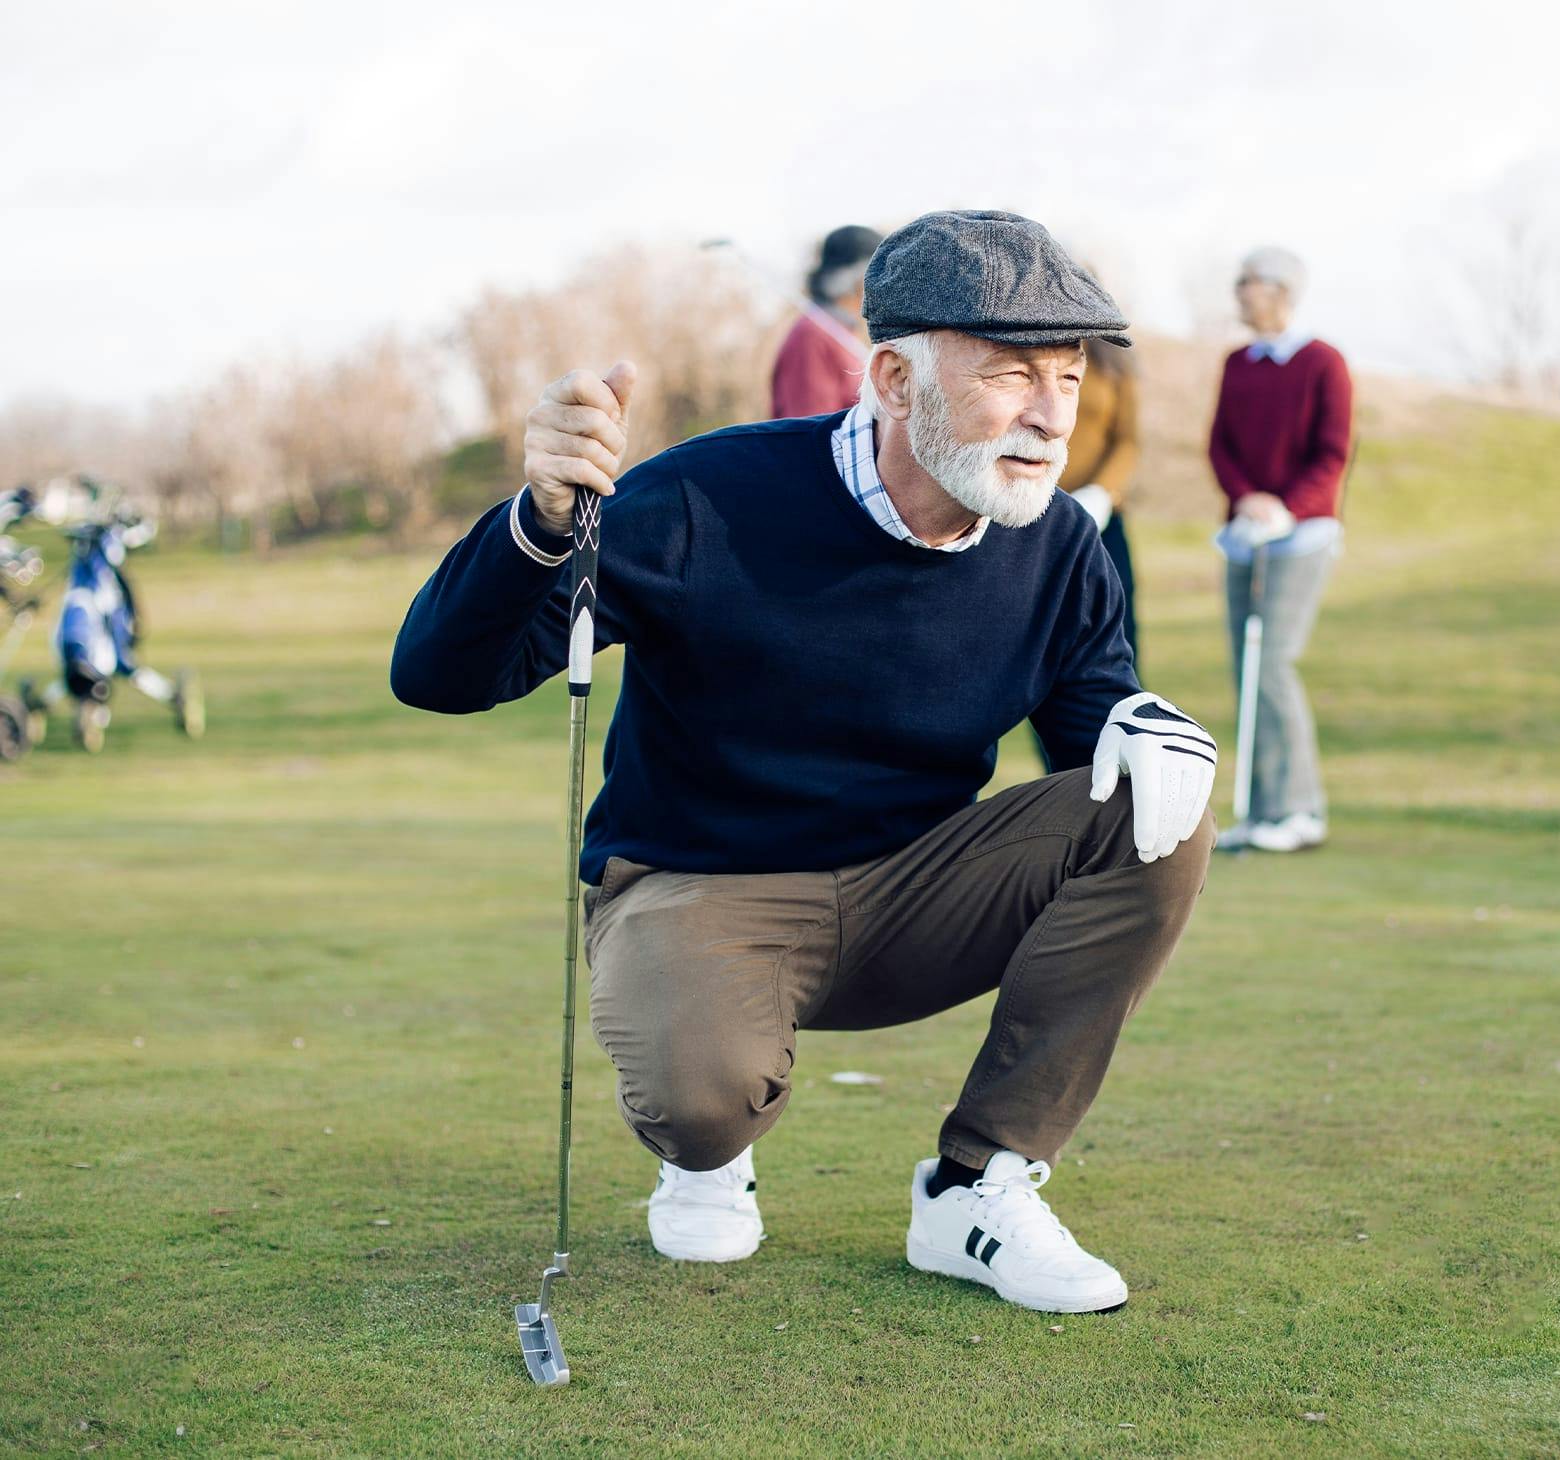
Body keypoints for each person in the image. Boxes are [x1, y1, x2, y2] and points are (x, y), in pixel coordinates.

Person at [393, 211, 1218, 1315]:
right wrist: (540, 523)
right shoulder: (705, 497)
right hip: (700, 889)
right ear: (891, 376)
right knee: (702, 1095)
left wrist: (1140, 722)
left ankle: (977, 1186)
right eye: (1012, 376)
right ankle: (706, 1152)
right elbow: (442, 673)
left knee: (1155, 809)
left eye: (1066, 379)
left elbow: (1089, 747)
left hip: (912, 894)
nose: (1049, 416)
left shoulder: (1058, 542)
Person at [1207, 246, 1353, 853]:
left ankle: (1301, 810)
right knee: (1247, 668)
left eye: (1248, 283)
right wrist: (1247, 499)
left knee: (1273, 666)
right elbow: (1220, 446)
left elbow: (1332, 452)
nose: (1238, 292)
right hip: (1246, 535)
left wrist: (1284, 506)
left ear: (1279, 291)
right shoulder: (1238, 362)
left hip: (1303, 534)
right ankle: (1264, 814)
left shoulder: (1323, 362)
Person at [1057, 333, 1141, 667]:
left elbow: (1128, 441)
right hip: (1035, 517)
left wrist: (1101, 493)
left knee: (1117, 638)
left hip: (1099, 519)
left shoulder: (1113, 359)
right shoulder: (1027, 345)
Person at [769, 224, 881, 418]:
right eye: (877, 273)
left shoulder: (843, 333)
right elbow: (808, 427)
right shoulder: (811, 336)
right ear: (855, 278)